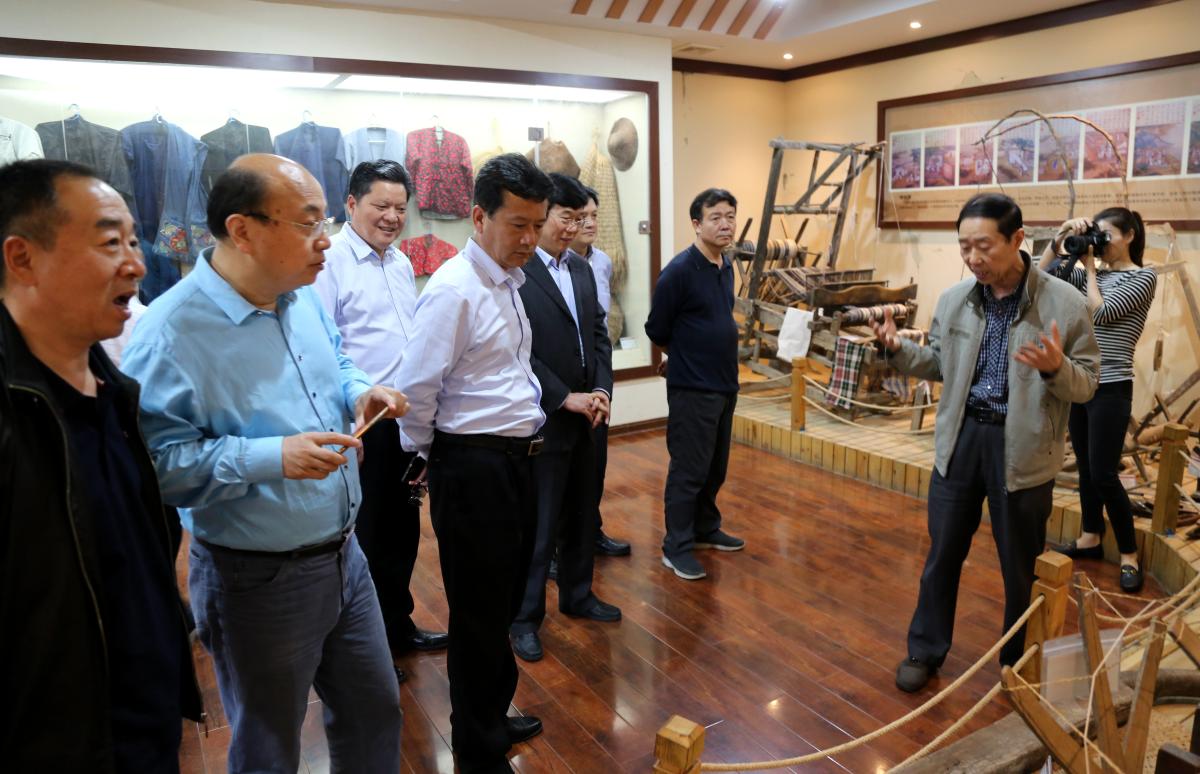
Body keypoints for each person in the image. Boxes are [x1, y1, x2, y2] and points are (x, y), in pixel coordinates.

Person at [121, 154, 406, 772]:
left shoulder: (299, 297)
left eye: (324, 221)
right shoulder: (169, 333)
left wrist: (360, 391)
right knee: (269, 746)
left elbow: (337, 359)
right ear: (242, 230)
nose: (324, 239)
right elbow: (156, 467)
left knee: (375, 712)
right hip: (257, 579)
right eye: (307, 223)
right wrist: (272, 457)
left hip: (346, 555)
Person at [0, 159, 201, 771]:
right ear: (22, 258)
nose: (137, 264)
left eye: (134, 242)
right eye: (111, 242)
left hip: (144, 725)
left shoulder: (116, 392)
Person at [870, 193, 1100, 693]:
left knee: (1021, 566)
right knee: (942, 555)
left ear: (1018, 239)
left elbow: (1087, 385)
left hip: (1024, 447)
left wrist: (1057, 368)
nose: (973, 258)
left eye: (984, 246)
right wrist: (897, 349)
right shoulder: (956, 299)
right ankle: (924, 649)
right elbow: (938, 363)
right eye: (964, 246)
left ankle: (1019, 659)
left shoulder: (1065, 303)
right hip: (961, 440)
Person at [395, 152, 550, 772]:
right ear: (479, 217)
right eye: (518, 225)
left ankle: (492, 713)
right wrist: (438, 457)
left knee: (503, 601)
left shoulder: (508, 282)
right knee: (479, 611)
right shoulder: (453, 289)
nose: (530, 239)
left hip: (515, 462)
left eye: (537, 225)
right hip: (474, 466)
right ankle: (478, 748)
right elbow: (415, 392)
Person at [313, 159, 448, 673]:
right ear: (352, 204)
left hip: (404, 418)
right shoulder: (330, 262)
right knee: (365, 535)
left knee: (401, 530)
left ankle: (397, 624)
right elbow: (322, 350)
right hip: (363, 423)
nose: (392, 216)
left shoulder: (399, 262)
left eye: (400, 207)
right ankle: (365, 648)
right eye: (381, 206)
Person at [510, 173, 621, 664]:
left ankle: (578, 594)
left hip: (588, 416)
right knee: (540, 524)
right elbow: (517, 349)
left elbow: (598, 335)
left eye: (580, 219)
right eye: (565, 217)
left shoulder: (581, 268)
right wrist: (562, 397)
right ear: (544, 215)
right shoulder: (519, 271)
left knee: (581, 511)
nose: (573, 228)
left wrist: (600, 390)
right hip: (544, 417)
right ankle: (524, 617)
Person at [1045, 208, 1158, 592]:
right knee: (1087, 469)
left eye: (1106, 235)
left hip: (1112, 386)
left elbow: (1103, 312)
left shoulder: (1143, 276)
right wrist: (1063, 234)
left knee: (1104, 473)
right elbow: (1042, 276)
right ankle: (1090, 537)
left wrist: (1091, 269)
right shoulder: (1086, 272)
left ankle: (1129, 554)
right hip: (1079, 381)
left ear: (1130, 235)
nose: (1100, 243)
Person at [645, 187, 745, 581]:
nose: (725, 224)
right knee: (689, 470)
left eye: (730, 216)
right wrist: (682, 357)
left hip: (724, 383)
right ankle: (677, 547)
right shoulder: (679, 271)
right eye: (715, 217)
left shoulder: (725, 265)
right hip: (693, 387)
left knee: (715, 467)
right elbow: (657, 328)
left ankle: (705, 529)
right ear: (696, 224)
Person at [567, 183, 631, 558]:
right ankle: (559, 545)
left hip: (596, 370)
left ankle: (591, 530)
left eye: (593, 216)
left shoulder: (602, 262)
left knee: (596, 460)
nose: (589, 223)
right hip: (565, 376)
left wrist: (603, 384)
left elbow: (600, 327)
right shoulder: (546, 266)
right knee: (565, 468)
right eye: (581, 217)